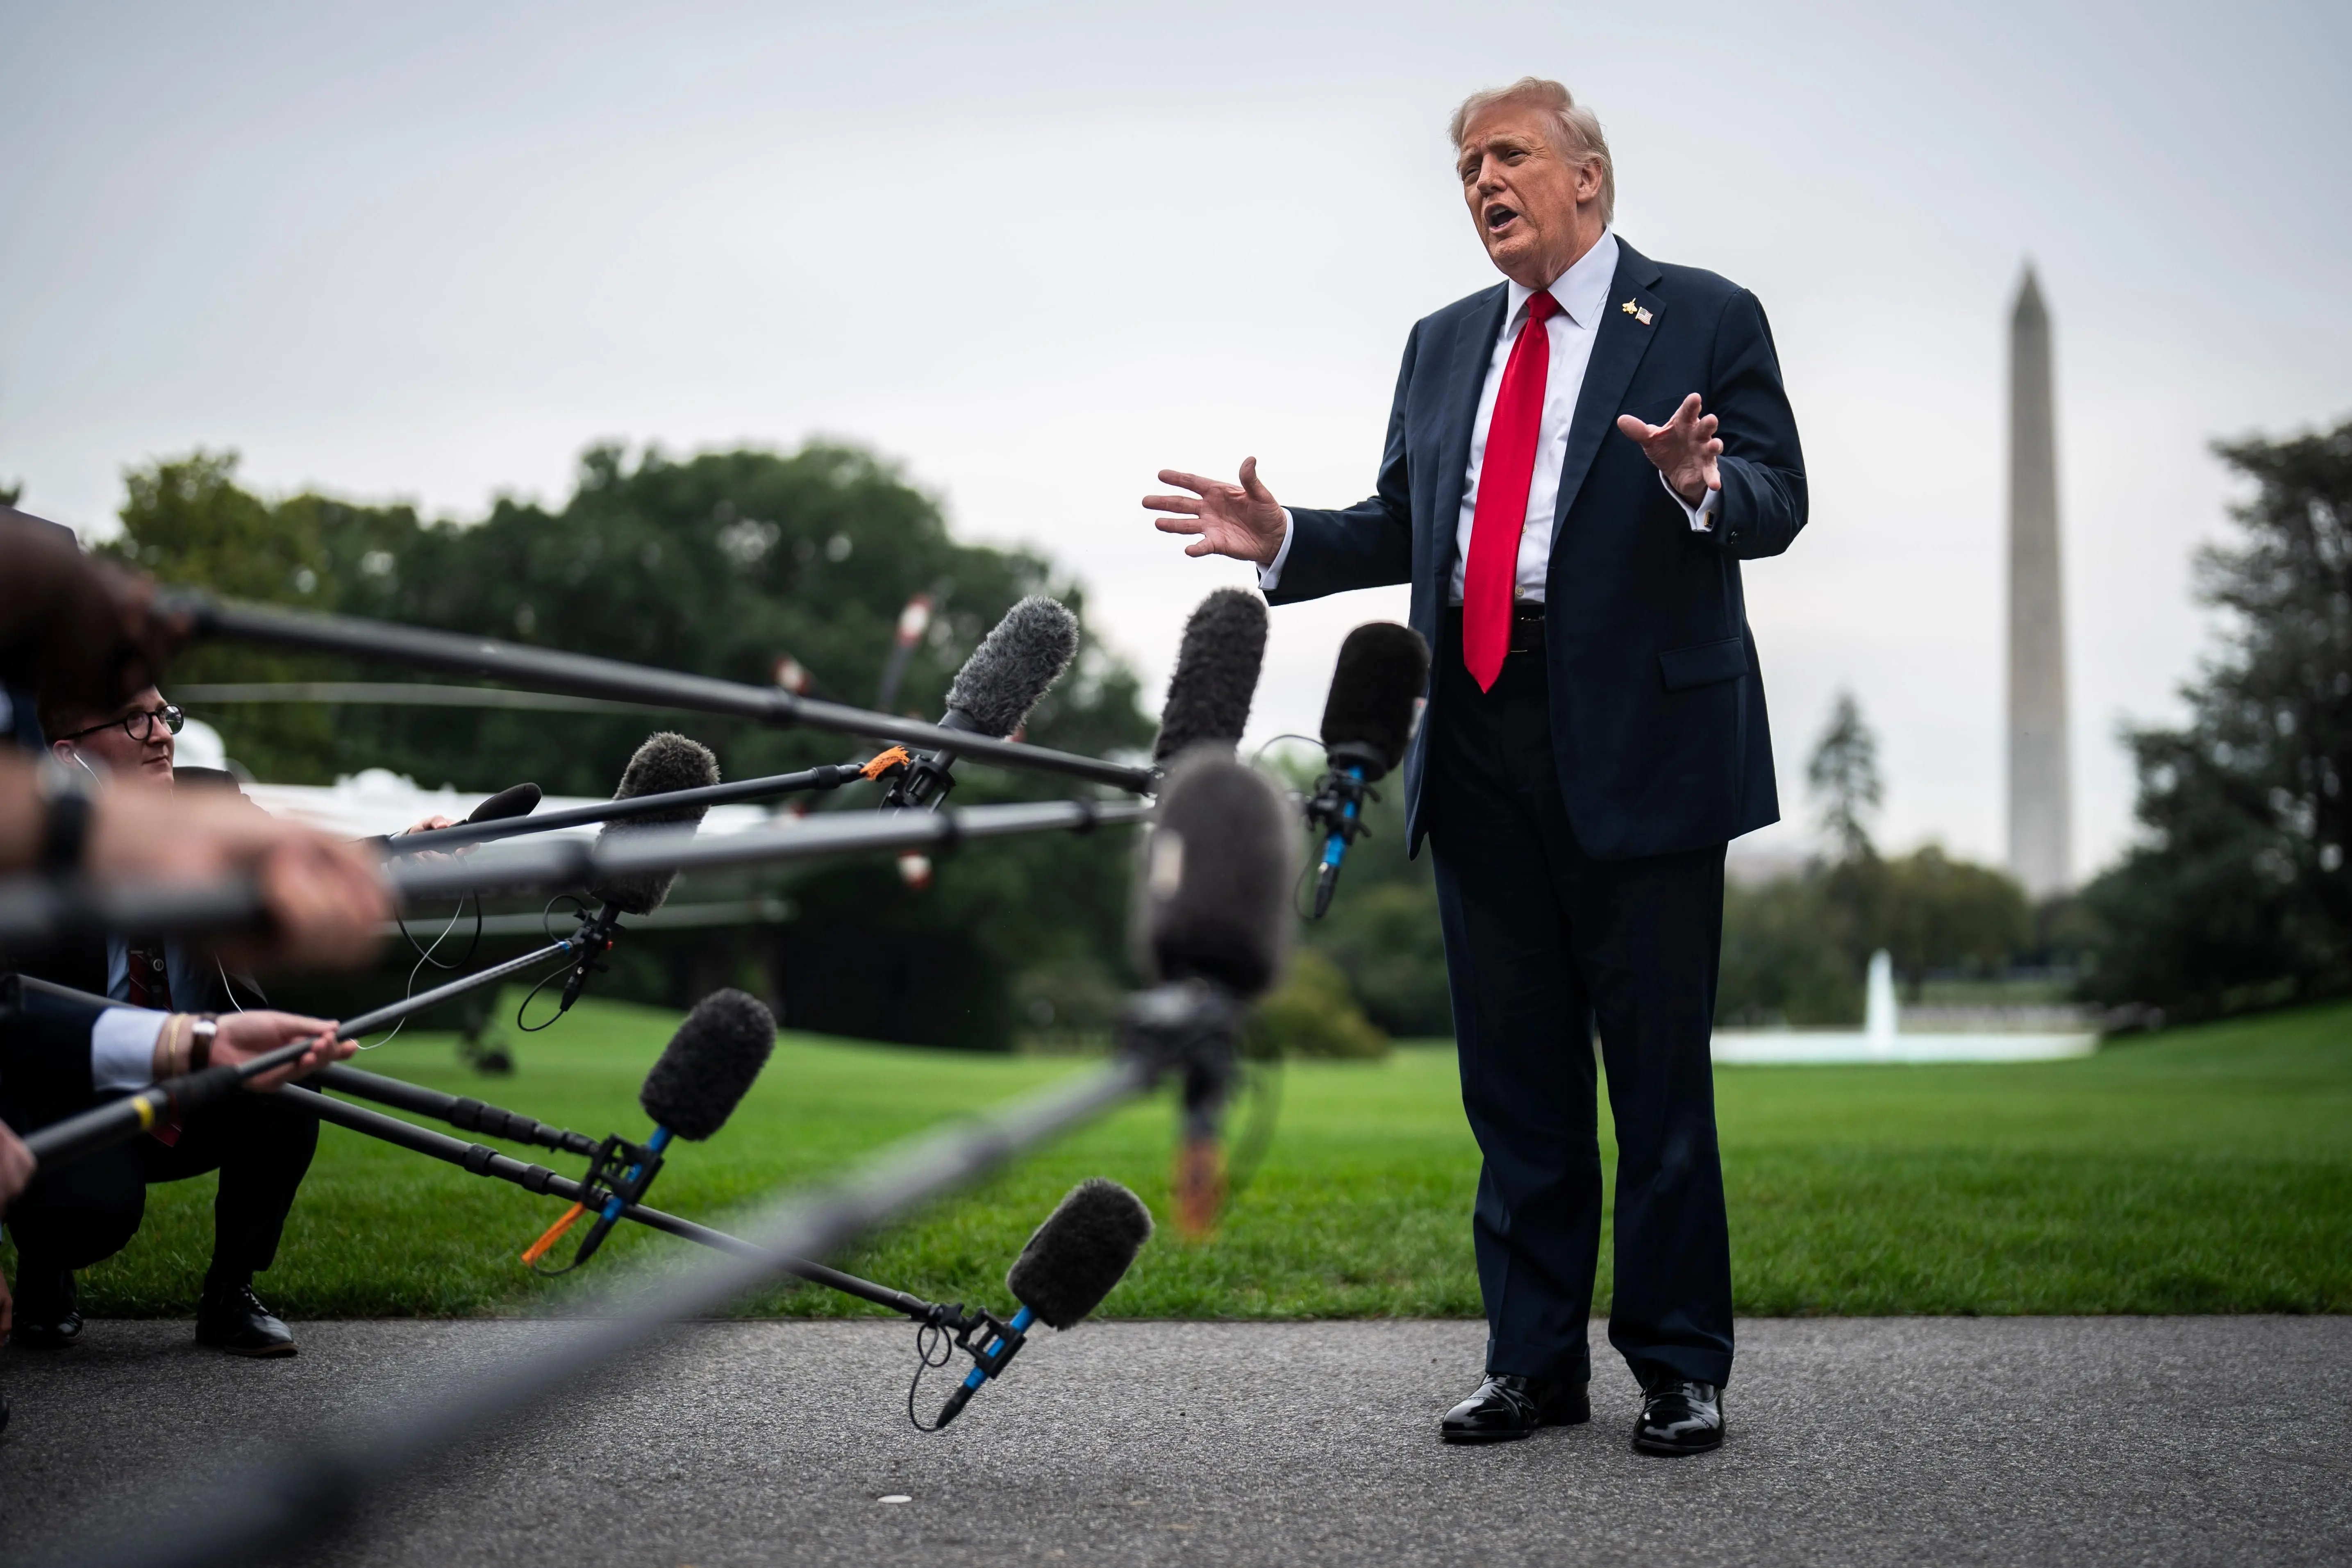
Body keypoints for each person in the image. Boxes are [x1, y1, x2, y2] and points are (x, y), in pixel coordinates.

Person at [1145, 78, 1804, 1455]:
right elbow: (1408, 519)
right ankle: (1530, 1363)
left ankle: (1681, 1368)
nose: (1481, 182)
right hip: (1480, 728)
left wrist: (1696, 483)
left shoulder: (1703, 315)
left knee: (1660, 1083)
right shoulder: (1444, 343)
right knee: (1513, 1081)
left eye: (1507, 157)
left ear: (1589, 181)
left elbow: (1776, 498)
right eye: (1463, 168)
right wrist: (1283, 537)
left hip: (1644, 741)